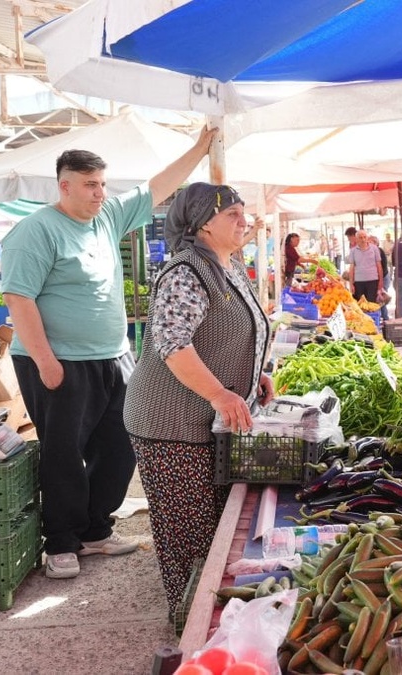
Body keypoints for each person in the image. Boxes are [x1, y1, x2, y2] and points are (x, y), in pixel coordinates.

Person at [1, 127, 217, 580]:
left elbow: (157, 186)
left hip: (114, 356)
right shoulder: (36, 231)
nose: (100, 192)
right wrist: (46, 362)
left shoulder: (108, 216)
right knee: (63, 453)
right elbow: (19, 299)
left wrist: (199, 149)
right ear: (64, 185)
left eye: (102, 183)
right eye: (90, 184)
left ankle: (95, 530)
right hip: (58, 360)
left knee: (119, 446)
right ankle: (60, 541)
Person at [123, 183, 272, 620]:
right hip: (170, 423)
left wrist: (253, 373)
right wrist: (219, 392)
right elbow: (174, 343)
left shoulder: (230, 264)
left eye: (244, 212)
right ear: (202, 222)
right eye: (233, 215)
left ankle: (213, 614)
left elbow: (237, 327)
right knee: (188, 531)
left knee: (215, 526)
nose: (243, 220)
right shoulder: (185, 271)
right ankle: (188, 623)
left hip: (208, 420)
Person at [346, 229, 383, 307]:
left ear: (367, 238)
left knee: (372, 305)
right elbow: (351, 268)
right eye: (360, 237)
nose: (363, 239)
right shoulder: (353, 251)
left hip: (373, 281)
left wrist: (381, 281)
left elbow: (379, 266)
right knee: (361, 305)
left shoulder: (374, 248)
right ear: (357, 239)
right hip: (359, 282)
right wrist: (351, 284)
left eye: (364, 237)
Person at [369, 234, 391, 321]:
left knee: (381, 299)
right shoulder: (373, 251)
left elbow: (380, 268)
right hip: (379, 278)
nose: (367, 243)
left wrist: (379, 283)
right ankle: (383, 318)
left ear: (375, 243)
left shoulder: (378, 251)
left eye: (369, 241)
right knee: (379, 300)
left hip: (383, 278)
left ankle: (385, 319)